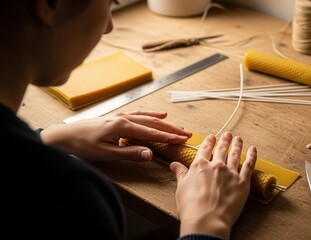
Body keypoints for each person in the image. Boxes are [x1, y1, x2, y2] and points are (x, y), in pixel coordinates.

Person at [1, 1, 257, 240]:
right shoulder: (66, 198)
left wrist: (46, 138)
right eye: (110, 2)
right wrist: (205, 227)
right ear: (49, 4)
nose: (109, 26)